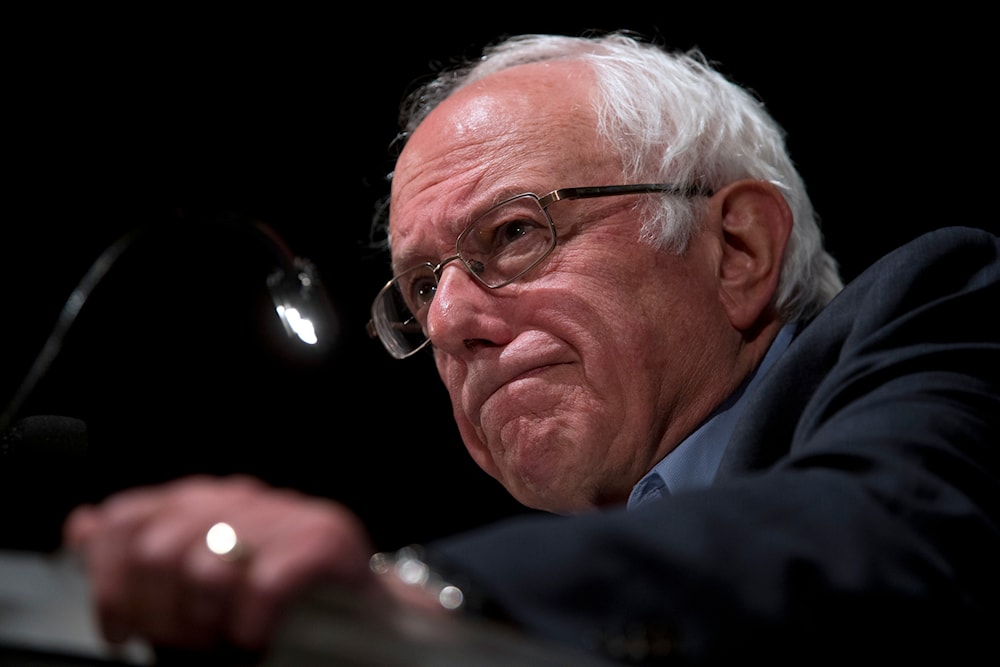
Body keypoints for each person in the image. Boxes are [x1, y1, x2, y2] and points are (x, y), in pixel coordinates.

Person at [61, 31, 999, 664]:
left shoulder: (938, 310)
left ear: (739, 249)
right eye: (423, 285)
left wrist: (423, 599)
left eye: (514, 234)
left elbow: (886, 530)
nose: (448, 322)